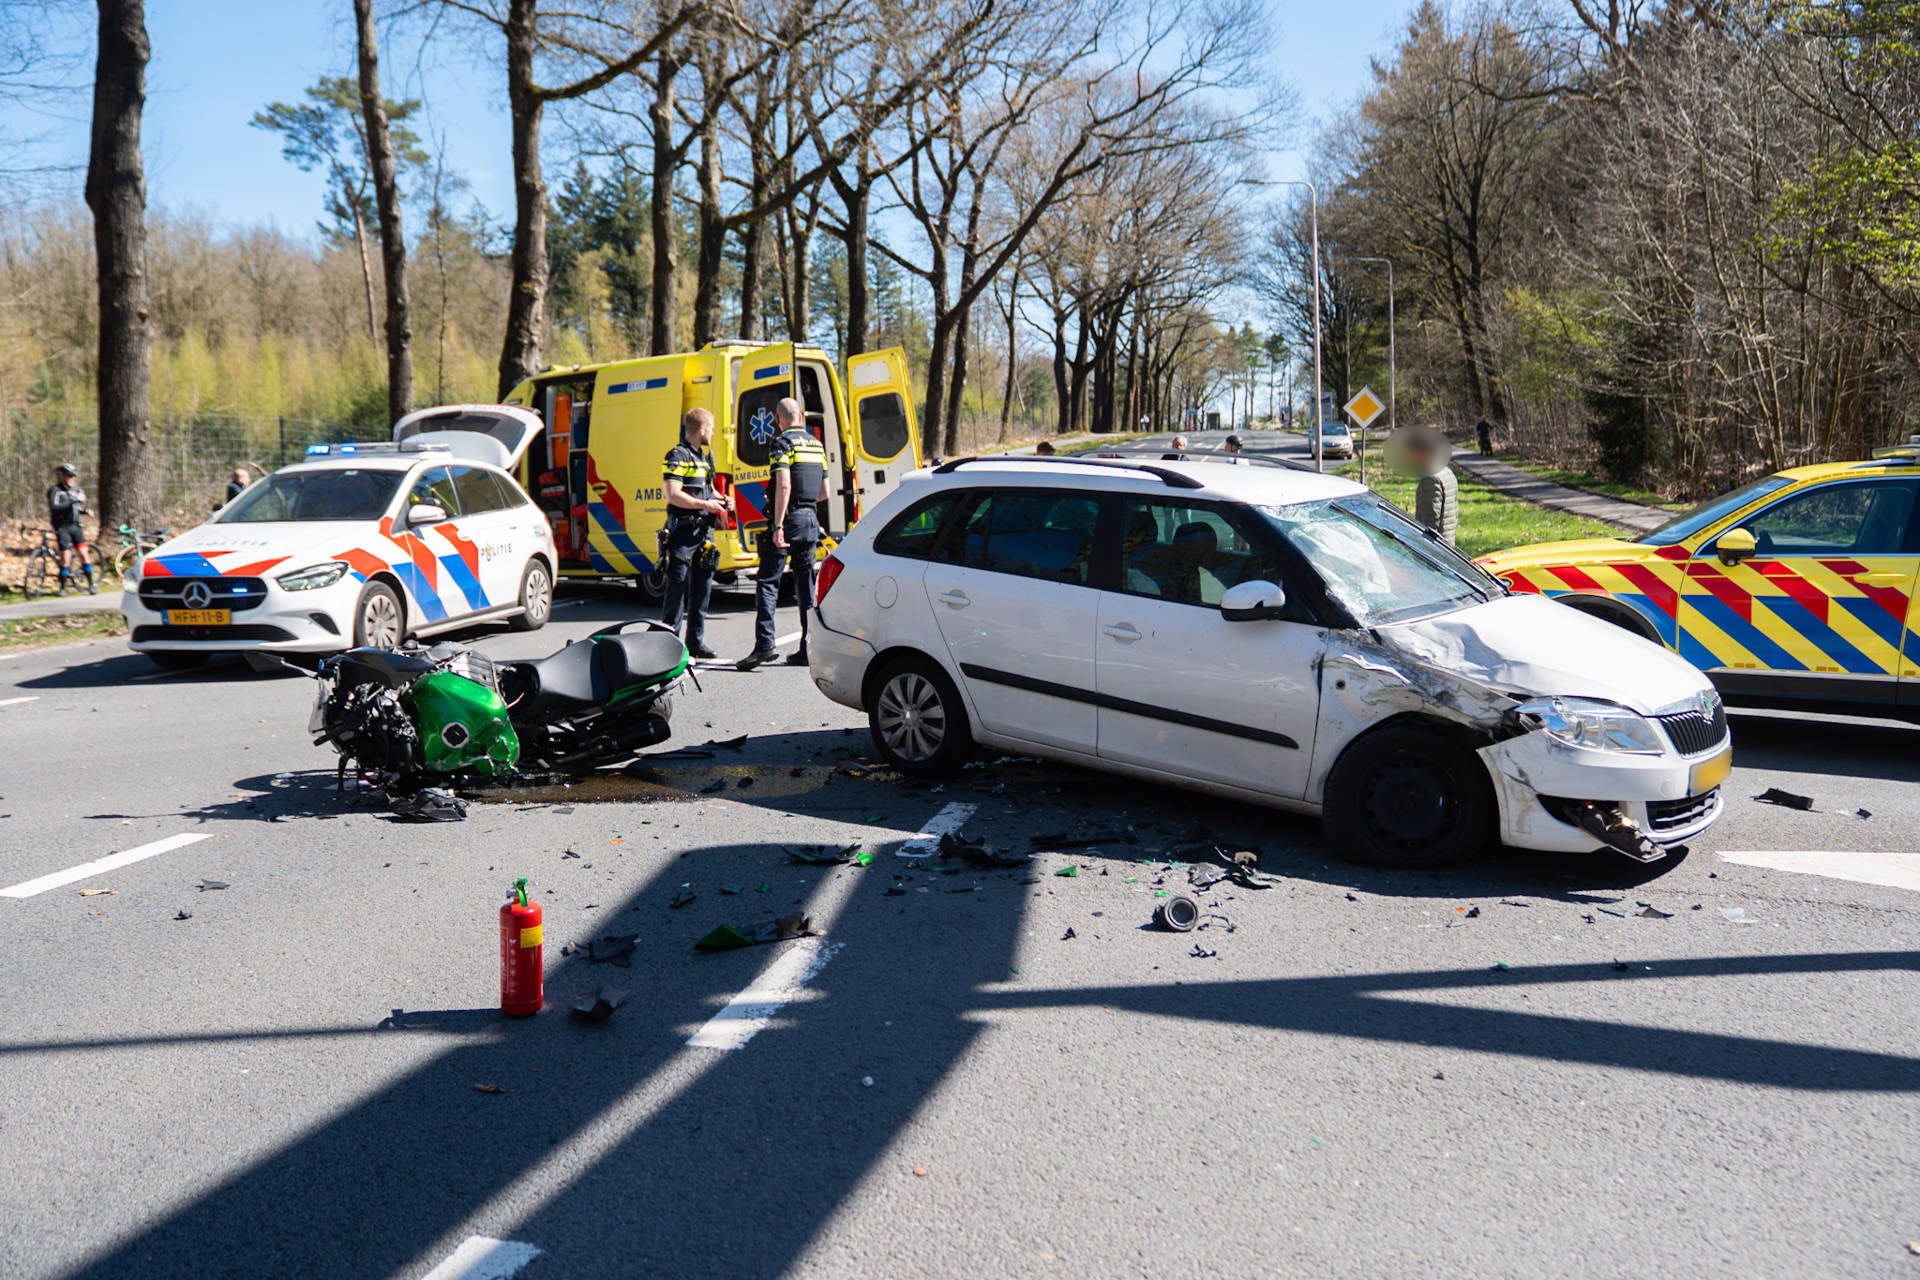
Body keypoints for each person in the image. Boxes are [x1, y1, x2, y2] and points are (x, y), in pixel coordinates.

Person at [738, 398, 829, 669]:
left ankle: (765, 645)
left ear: (778, 418)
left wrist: (778, 525)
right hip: (810, 521)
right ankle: (806, 648)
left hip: (788, 522)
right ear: (801, 415)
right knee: (806, 586)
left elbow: (784, 485)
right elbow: (824, 491)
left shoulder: (782, 444)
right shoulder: (816, 445)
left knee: (768, 582)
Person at [660, 408, 730, 660]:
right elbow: (673, 494)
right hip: (683, 532)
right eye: (710, 428)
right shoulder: (676, 456)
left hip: (704, 532)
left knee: (703, 588)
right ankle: (668, 643)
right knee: (677, 588)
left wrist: (722, 501)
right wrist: (705, 504)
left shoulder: (704, 458)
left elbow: (709, 490)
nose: (712, 432)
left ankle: (696, 642)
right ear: (701, 429)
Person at [47, 462, 95, 594]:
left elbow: (75, 509)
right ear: (61, 477)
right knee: (66, 558)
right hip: (62, 528)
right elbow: (55, 507)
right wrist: (74, 500)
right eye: (69, 476)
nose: (72, 479)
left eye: (73, 476)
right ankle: (62, 588)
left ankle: (91, 585)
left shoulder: (73, 491)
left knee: (84, 555)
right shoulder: (55, 491)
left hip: (75, 527)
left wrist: (85, 511)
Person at [1407, 430, 1460, 545]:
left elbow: (1430, 523)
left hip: (1435, 547)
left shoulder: (1430, 478)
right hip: (1448, 542)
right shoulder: (1447, 472)